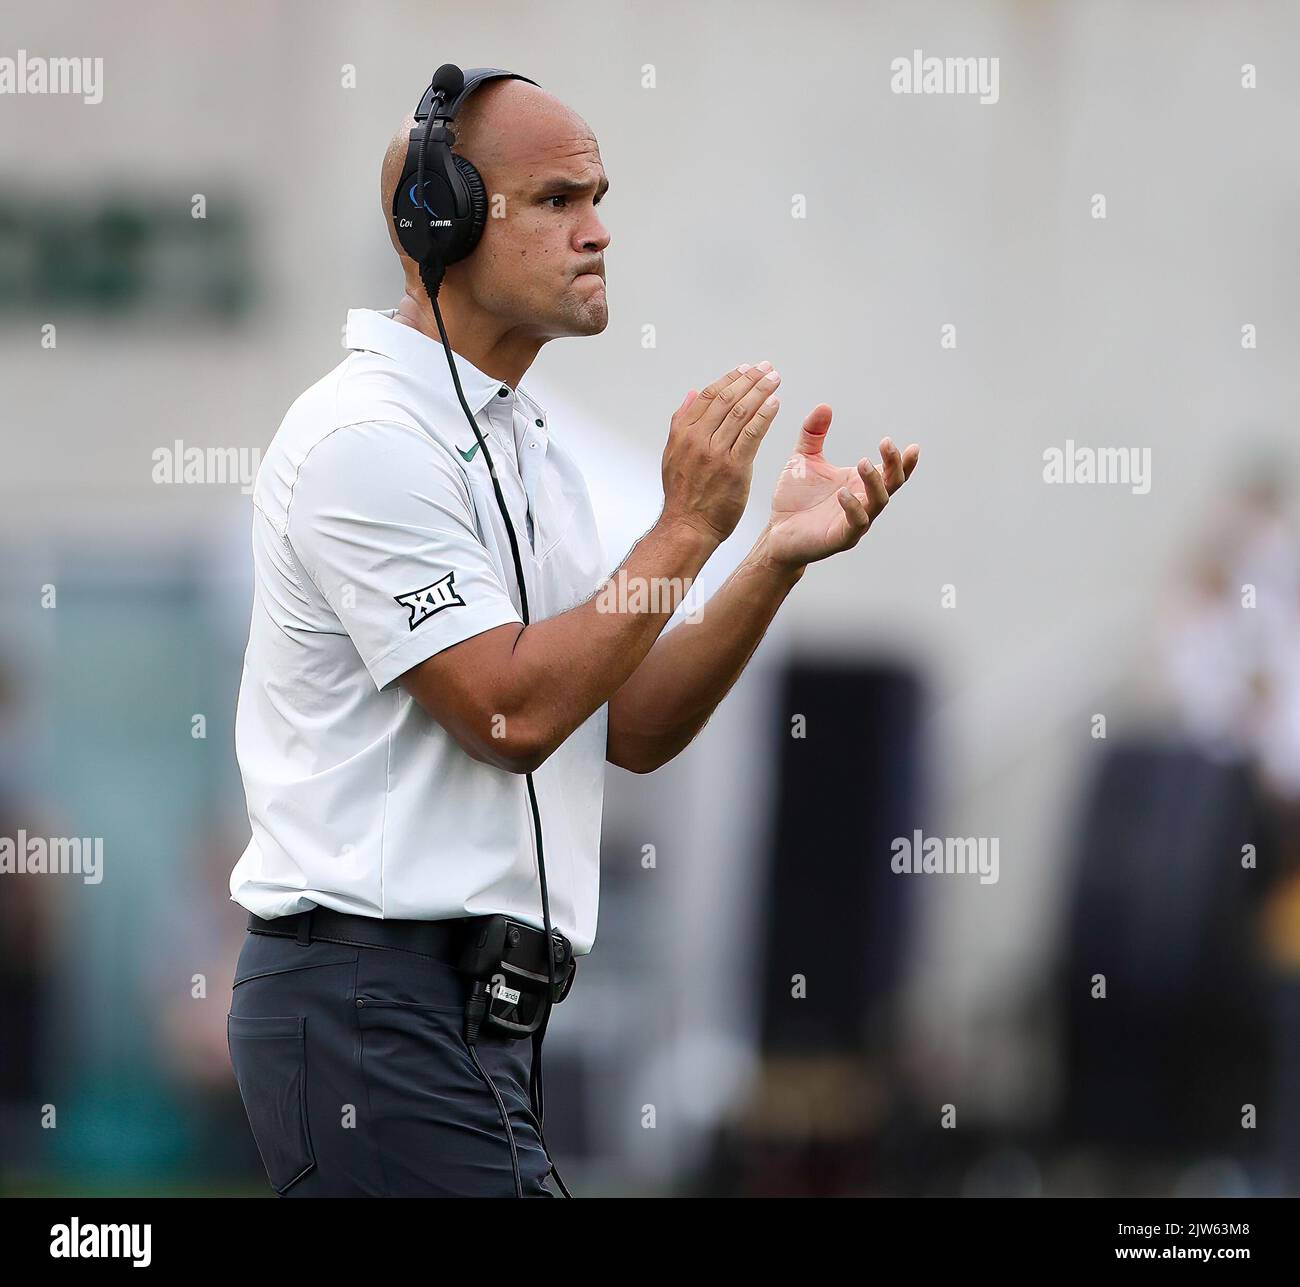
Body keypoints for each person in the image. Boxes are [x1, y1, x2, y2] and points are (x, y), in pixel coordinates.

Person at [226, 64, 919, 1198]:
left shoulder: (526, 444)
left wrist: (766, 559)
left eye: (599, 197)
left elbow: (629, 721)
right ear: (435, 223)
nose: (598, 232)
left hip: (459, 1022)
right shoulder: (366, 439)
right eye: (556, 201)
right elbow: (511, 711)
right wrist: (687, 522)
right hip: (370, 1011)